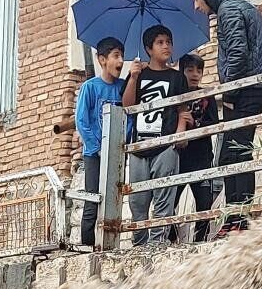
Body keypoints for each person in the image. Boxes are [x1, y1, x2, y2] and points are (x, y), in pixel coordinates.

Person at [185, 0, 262, 235]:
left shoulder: (229, 10)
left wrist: (230, 94)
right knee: (232, 152)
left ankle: (239, 221)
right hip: (251, 88)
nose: (196, 6)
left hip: (245, 90)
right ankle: (236, 219)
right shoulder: (238, 6)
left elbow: (237, 56)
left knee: (236, 152)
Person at [121, 24, 190, 247]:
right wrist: (132, 77)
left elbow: (183, 110)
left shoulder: (177, 77)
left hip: (165, 144)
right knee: (138, 201)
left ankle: (157, 243)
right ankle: (139, 245)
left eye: (168, 42)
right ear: (148, 48)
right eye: (160, 43)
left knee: (164, 197)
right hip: (140, 145)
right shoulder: (139, 74)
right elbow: (127, 106)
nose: (166, 46)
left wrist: (179, 135)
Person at [74, 37, 126, 249]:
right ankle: (87, 246)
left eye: (122, 56)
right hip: (94, 154)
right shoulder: (90, 88)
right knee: (93, 200)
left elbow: (129, 117)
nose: (121, 61)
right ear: (102, 59)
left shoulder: (124, 87)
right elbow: (81, 120)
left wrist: (122, 141)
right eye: (116, 56)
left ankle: (112, 245)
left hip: (118, 152)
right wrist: (96, 147)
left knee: (116, 198)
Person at [176, 53, 220, 243]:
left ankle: (200, 240)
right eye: (189, 70)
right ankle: (171, 238)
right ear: (181, 72)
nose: (195, 74)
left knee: (204, 202)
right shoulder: (175, 97)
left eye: (199, 70)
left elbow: (214, 124)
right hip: (178, 158)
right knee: (170, 201)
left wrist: (194, 124)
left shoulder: (207, 97)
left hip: (201, 158)